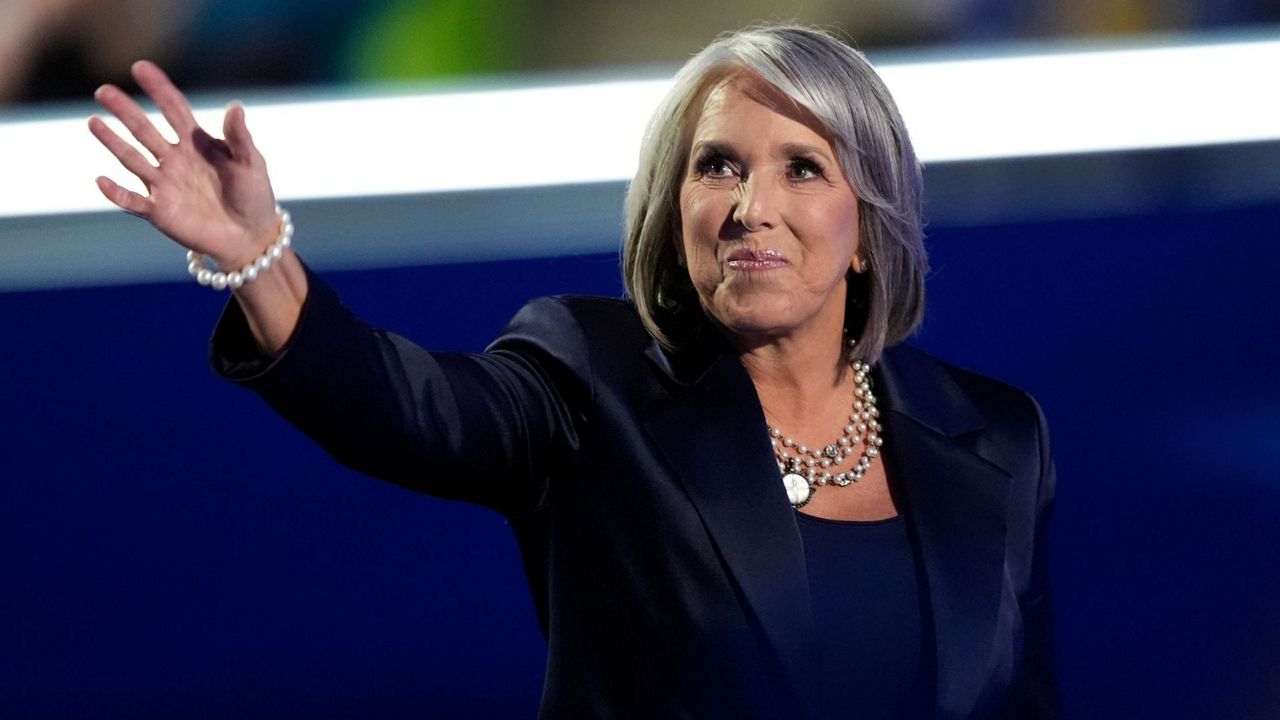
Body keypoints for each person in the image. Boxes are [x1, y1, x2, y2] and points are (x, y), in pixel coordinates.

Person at [88, 25, 1058, 720]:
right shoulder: (591, 378)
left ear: (867, 222)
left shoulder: (995, 436)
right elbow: (410, 408)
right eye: (715, 167)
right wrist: (261, 255)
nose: (749, 207)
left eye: (802, 168)